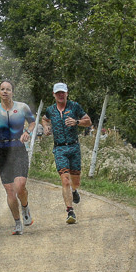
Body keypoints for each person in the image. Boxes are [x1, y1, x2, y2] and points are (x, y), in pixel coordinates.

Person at [0, 80, 36, 235]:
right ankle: (18, 222)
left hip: (18, 148)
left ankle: (25, 207)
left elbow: (32, 123)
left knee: (20, 186)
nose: (5, 92)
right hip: (2, 150)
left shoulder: (22, 107)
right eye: (2, 89)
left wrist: (28, 132)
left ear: (13, 92)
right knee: (9, 190)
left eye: (8, 89)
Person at [40, 82, 93, 224]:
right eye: (58, 93)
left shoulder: (74, 106)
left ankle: (75, 191)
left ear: (67, 93)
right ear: (54, 95)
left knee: (76, 181)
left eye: (63, 92)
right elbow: (44, 119)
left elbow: (88, 121)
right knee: (65, 180)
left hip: (74, 147)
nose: (61, 95)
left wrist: (76, 122)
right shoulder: (50, 110)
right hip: (59, 148)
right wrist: (46, 127)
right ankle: (70, 211)